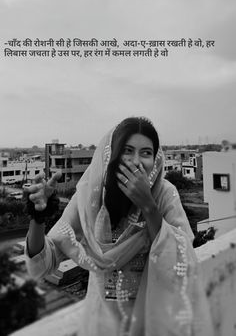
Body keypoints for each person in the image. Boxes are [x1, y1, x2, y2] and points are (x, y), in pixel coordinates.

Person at [25, 117, 213, 336]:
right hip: (99, 326)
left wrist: (148, 206)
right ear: (112, 154)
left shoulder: (164, 194)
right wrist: (38, 217)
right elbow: (43, 264)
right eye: (127, 150)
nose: (136, 161)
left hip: (150, 325)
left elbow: (181, 263)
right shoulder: (91, 197)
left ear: (155, 159)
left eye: (146, 153)